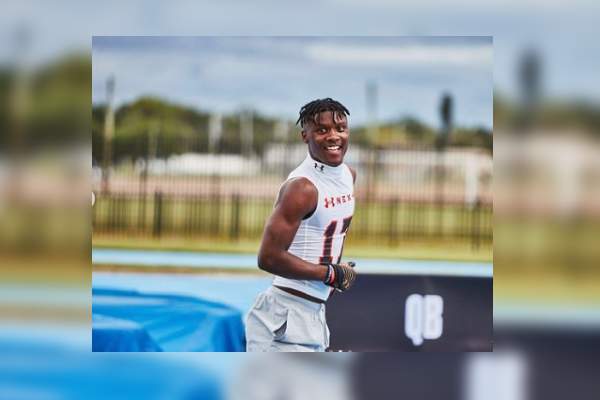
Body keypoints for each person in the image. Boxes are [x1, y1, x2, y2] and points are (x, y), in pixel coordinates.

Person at [245, 98, 357, 352]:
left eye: (340, 128)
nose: (334, 136)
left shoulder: (348, 175)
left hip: (315, 313)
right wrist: (329, 273)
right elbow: (268, 257)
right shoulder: (302, 187)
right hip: (285, 313)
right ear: (305, 135)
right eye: (322, 130)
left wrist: (336, 271)